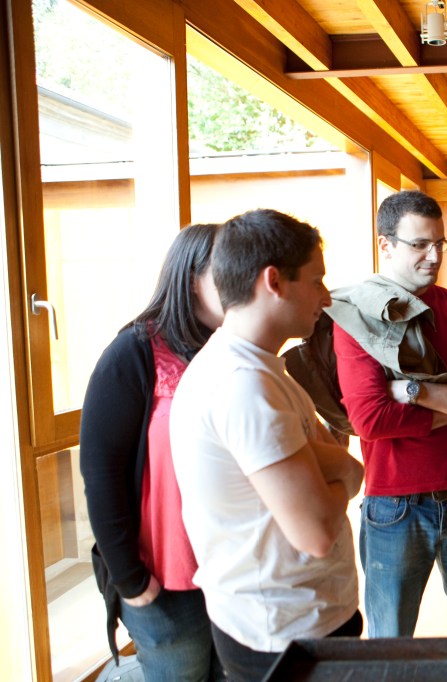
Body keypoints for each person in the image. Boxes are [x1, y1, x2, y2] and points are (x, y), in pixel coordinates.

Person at [169, 209, 364, 682]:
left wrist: (331, 467)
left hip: (293, 618)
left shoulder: (255, 366)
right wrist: (348, 470)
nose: (325, 296)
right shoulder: (243, 384)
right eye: (316, 280)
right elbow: (316, 531)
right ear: (273, 281)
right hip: (283, 631)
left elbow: (320, 457)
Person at [332, 190, 447, 682]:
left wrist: (416, 391)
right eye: (419, 245)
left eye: (440, 244)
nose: (433, 256)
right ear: (385, 245)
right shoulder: (357, 315)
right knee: (391, 645)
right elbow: (371, 419)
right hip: (394, 507)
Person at [80, 223, 223, 681]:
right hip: (163, 577)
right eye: (227, 270)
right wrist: (130, 579)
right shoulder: (133, 352)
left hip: (232, 572)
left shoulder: (234, 351)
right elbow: (101, 472)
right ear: (192, 278)